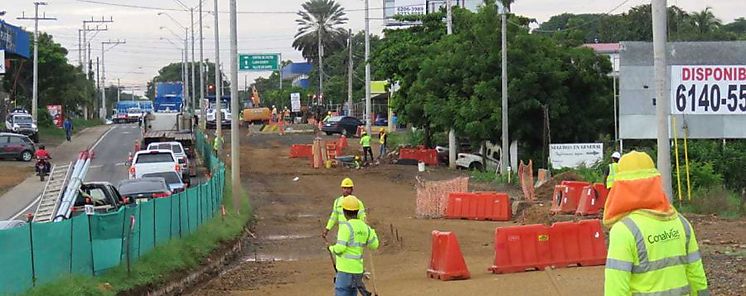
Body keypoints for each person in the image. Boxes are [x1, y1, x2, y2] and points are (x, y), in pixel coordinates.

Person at [604, 151, 708, 296]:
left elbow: (616, 289)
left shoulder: (623, 231)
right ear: (656, 182)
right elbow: (697, 277)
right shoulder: (681, 223)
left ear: (620, 186)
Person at [328, 195, 379, 296]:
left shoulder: (345, 227)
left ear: (344, 211)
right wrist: (371, 231)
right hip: (357, 271)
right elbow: (374, 245)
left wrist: (331, 248)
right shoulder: (365, 227)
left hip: (344, 271)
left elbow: (340, 249)